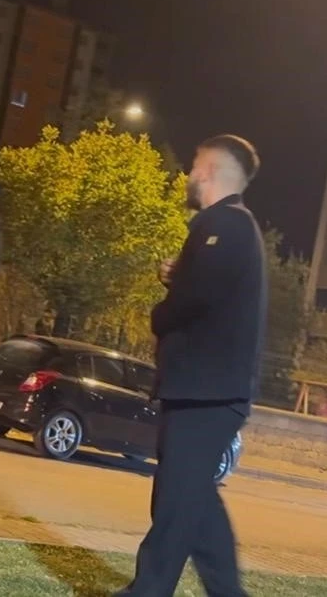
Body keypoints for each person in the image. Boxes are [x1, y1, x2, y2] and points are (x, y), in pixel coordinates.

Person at [117, 134, 266, 597]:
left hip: (208, 392)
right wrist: (180, 275)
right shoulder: (225, 227)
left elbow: (199, 298)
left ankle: (148, 591)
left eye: (194, 165)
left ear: (209, 171)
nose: (188, 174)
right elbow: (209, 290)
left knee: (177, 501)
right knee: (193, 501)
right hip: (202, 390)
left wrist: (161, 314)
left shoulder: (227, 224)